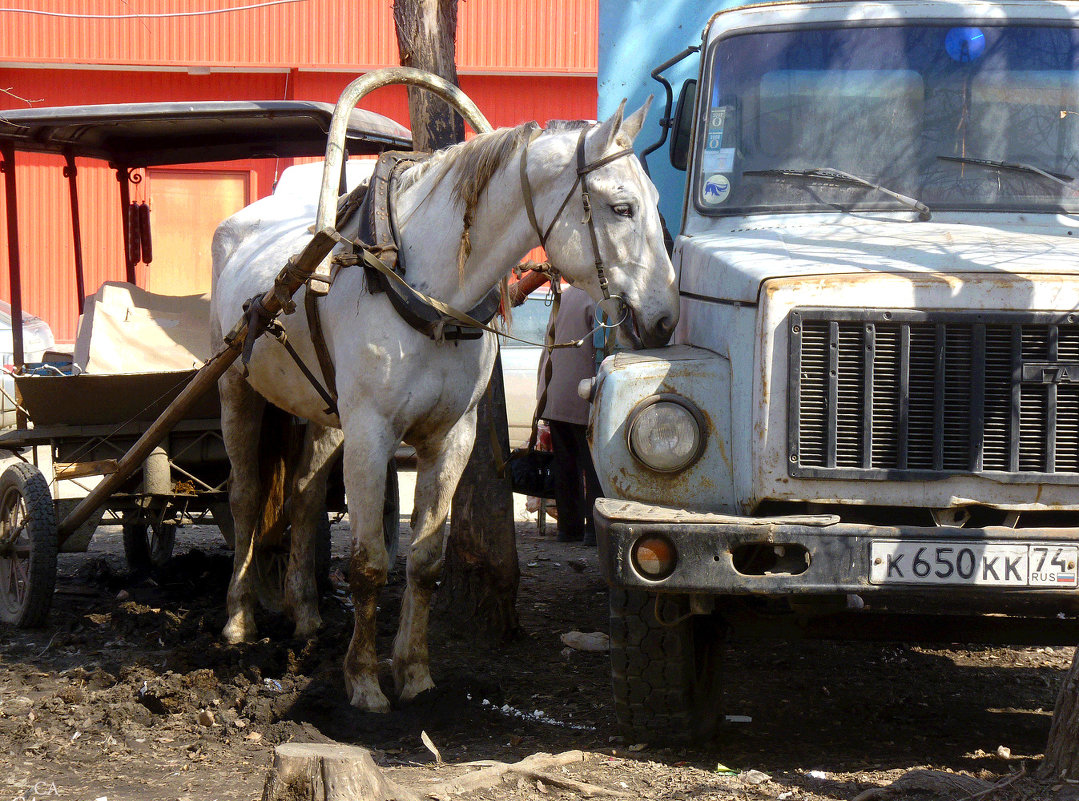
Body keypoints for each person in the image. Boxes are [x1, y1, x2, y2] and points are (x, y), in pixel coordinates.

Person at [535, 285, 602, 545]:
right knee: (593, 468)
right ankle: (593, 532)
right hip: (581, 396)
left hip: (555, 394)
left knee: (566, 466)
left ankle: (568, 529)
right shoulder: (595, 298)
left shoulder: (566, 295)